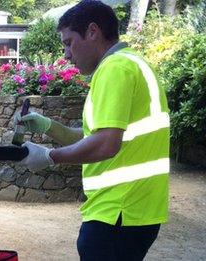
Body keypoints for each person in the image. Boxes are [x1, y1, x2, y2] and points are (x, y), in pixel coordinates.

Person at [14, 1, 170, 260]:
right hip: (135, 210)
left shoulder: (114, 69)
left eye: (68, 42)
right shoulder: (134, 63)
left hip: (117, 211)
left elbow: (106, 144)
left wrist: (50, 157)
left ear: (93, 32)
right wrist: (48, 126)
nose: (65, 54)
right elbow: (95, 135)